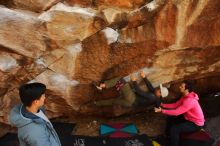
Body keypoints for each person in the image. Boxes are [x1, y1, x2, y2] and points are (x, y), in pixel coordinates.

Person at [154, 81, 205, 146]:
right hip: (189, 118)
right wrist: (163, 105)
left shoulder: (189, 101)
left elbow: (176, 112)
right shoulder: (185, 95)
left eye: (182, 86)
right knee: (170, 118)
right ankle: (168, 136)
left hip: (196, 124)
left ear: (187, 89)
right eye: (180, 85)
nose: (179, 87)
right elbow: (175, 105)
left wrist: (162, 110)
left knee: (175, 129)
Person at [94, 71, 169, 108]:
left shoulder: (152, 96)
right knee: (113, 101)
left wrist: (134, 81)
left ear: (160, 94)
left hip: (132, 98)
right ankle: (96, 103)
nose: (157, 89)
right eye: (159, 88)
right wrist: (144, 77)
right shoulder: (156, 97)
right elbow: (150, 86)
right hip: (130, 104)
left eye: (159, 90)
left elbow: (139, 92)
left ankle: (102, 86)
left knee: (121, 80)